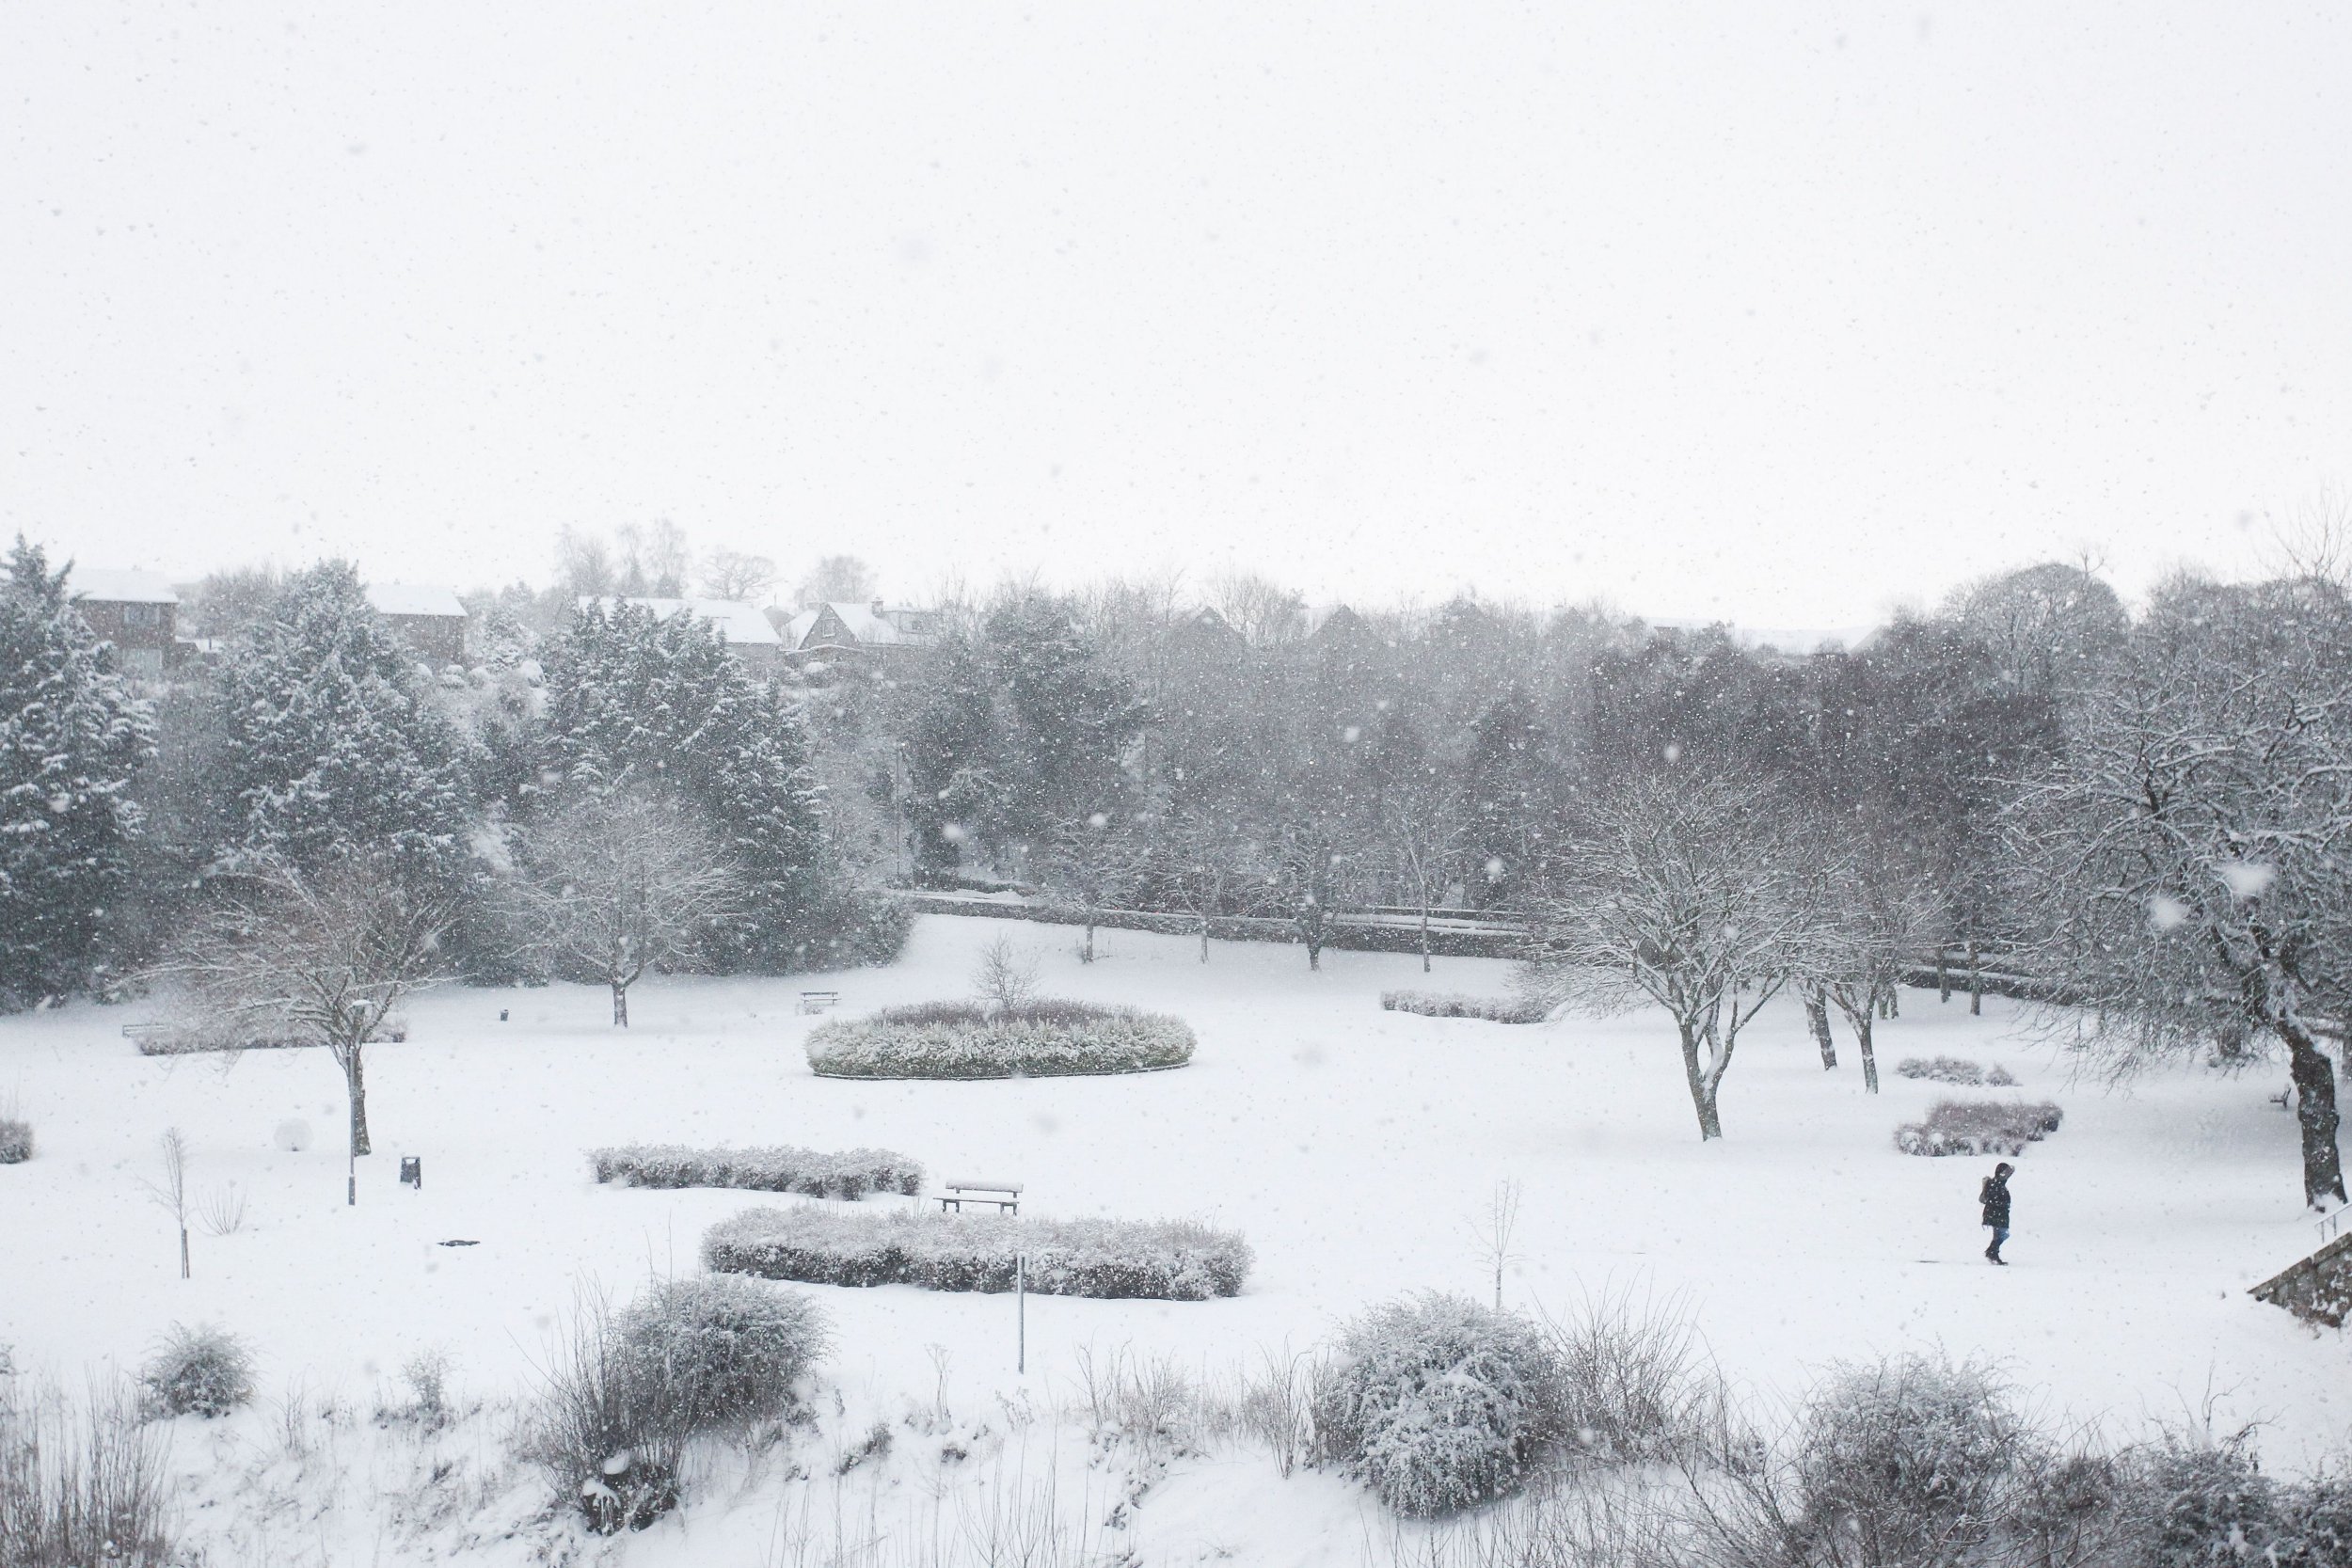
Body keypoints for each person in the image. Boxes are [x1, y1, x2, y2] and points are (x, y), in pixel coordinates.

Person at [1979, 1162, 2013, 1264]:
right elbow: (1993, 1200)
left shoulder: (1997, 1183)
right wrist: (2002, 1204)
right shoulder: (1996, 1185)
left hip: (1996, 1214)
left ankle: (1993, 1253)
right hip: (1996, 1215)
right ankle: (1992, 1253)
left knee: (2000, 1235)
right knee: (2001, 1235)